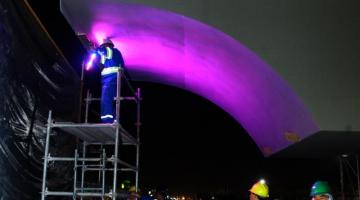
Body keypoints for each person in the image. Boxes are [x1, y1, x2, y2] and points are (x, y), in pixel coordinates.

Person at [87, 38, 126, 123]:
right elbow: (101, 65)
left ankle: (107, 120)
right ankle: (115, 120)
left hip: (111, 78)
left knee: (106, 98)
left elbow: (104, 51)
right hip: (114, 78)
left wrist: (95, 49)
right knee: (113, 100)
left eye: (103, 46)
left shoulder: (111, 50)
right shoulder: (112, 56)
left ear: (106, 45)